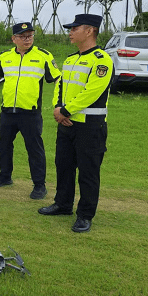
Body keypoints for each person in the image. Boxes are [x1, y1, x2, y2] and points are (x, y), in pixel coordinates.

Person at [38, 14, 113, 233]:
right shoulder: (71, 60)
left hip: (90, 126)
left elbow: (92, 91)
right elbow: (60, 86)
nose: (70, 32)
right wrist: (58, 109)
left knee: (88, 172)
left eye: (74, 28)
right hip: (66, 124)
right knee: (64, 166)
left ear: (89, 31)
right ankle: (63, 204)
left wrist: (66, 110)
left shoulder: (101, 60)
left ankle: (85, 215)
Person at [0, 22, 61, 200]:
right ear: (14, 39)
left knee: (34, 149)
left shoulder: (43, 56)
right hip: (8, 111)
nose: (27, 39)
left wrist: (59, 102)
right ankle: (4, 176)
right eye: (23, 36)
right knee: (4, 146)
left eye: (30, 36)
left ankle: (39, 185)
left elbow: (57, 78)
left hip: (30, 112)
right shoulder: (6, 56)